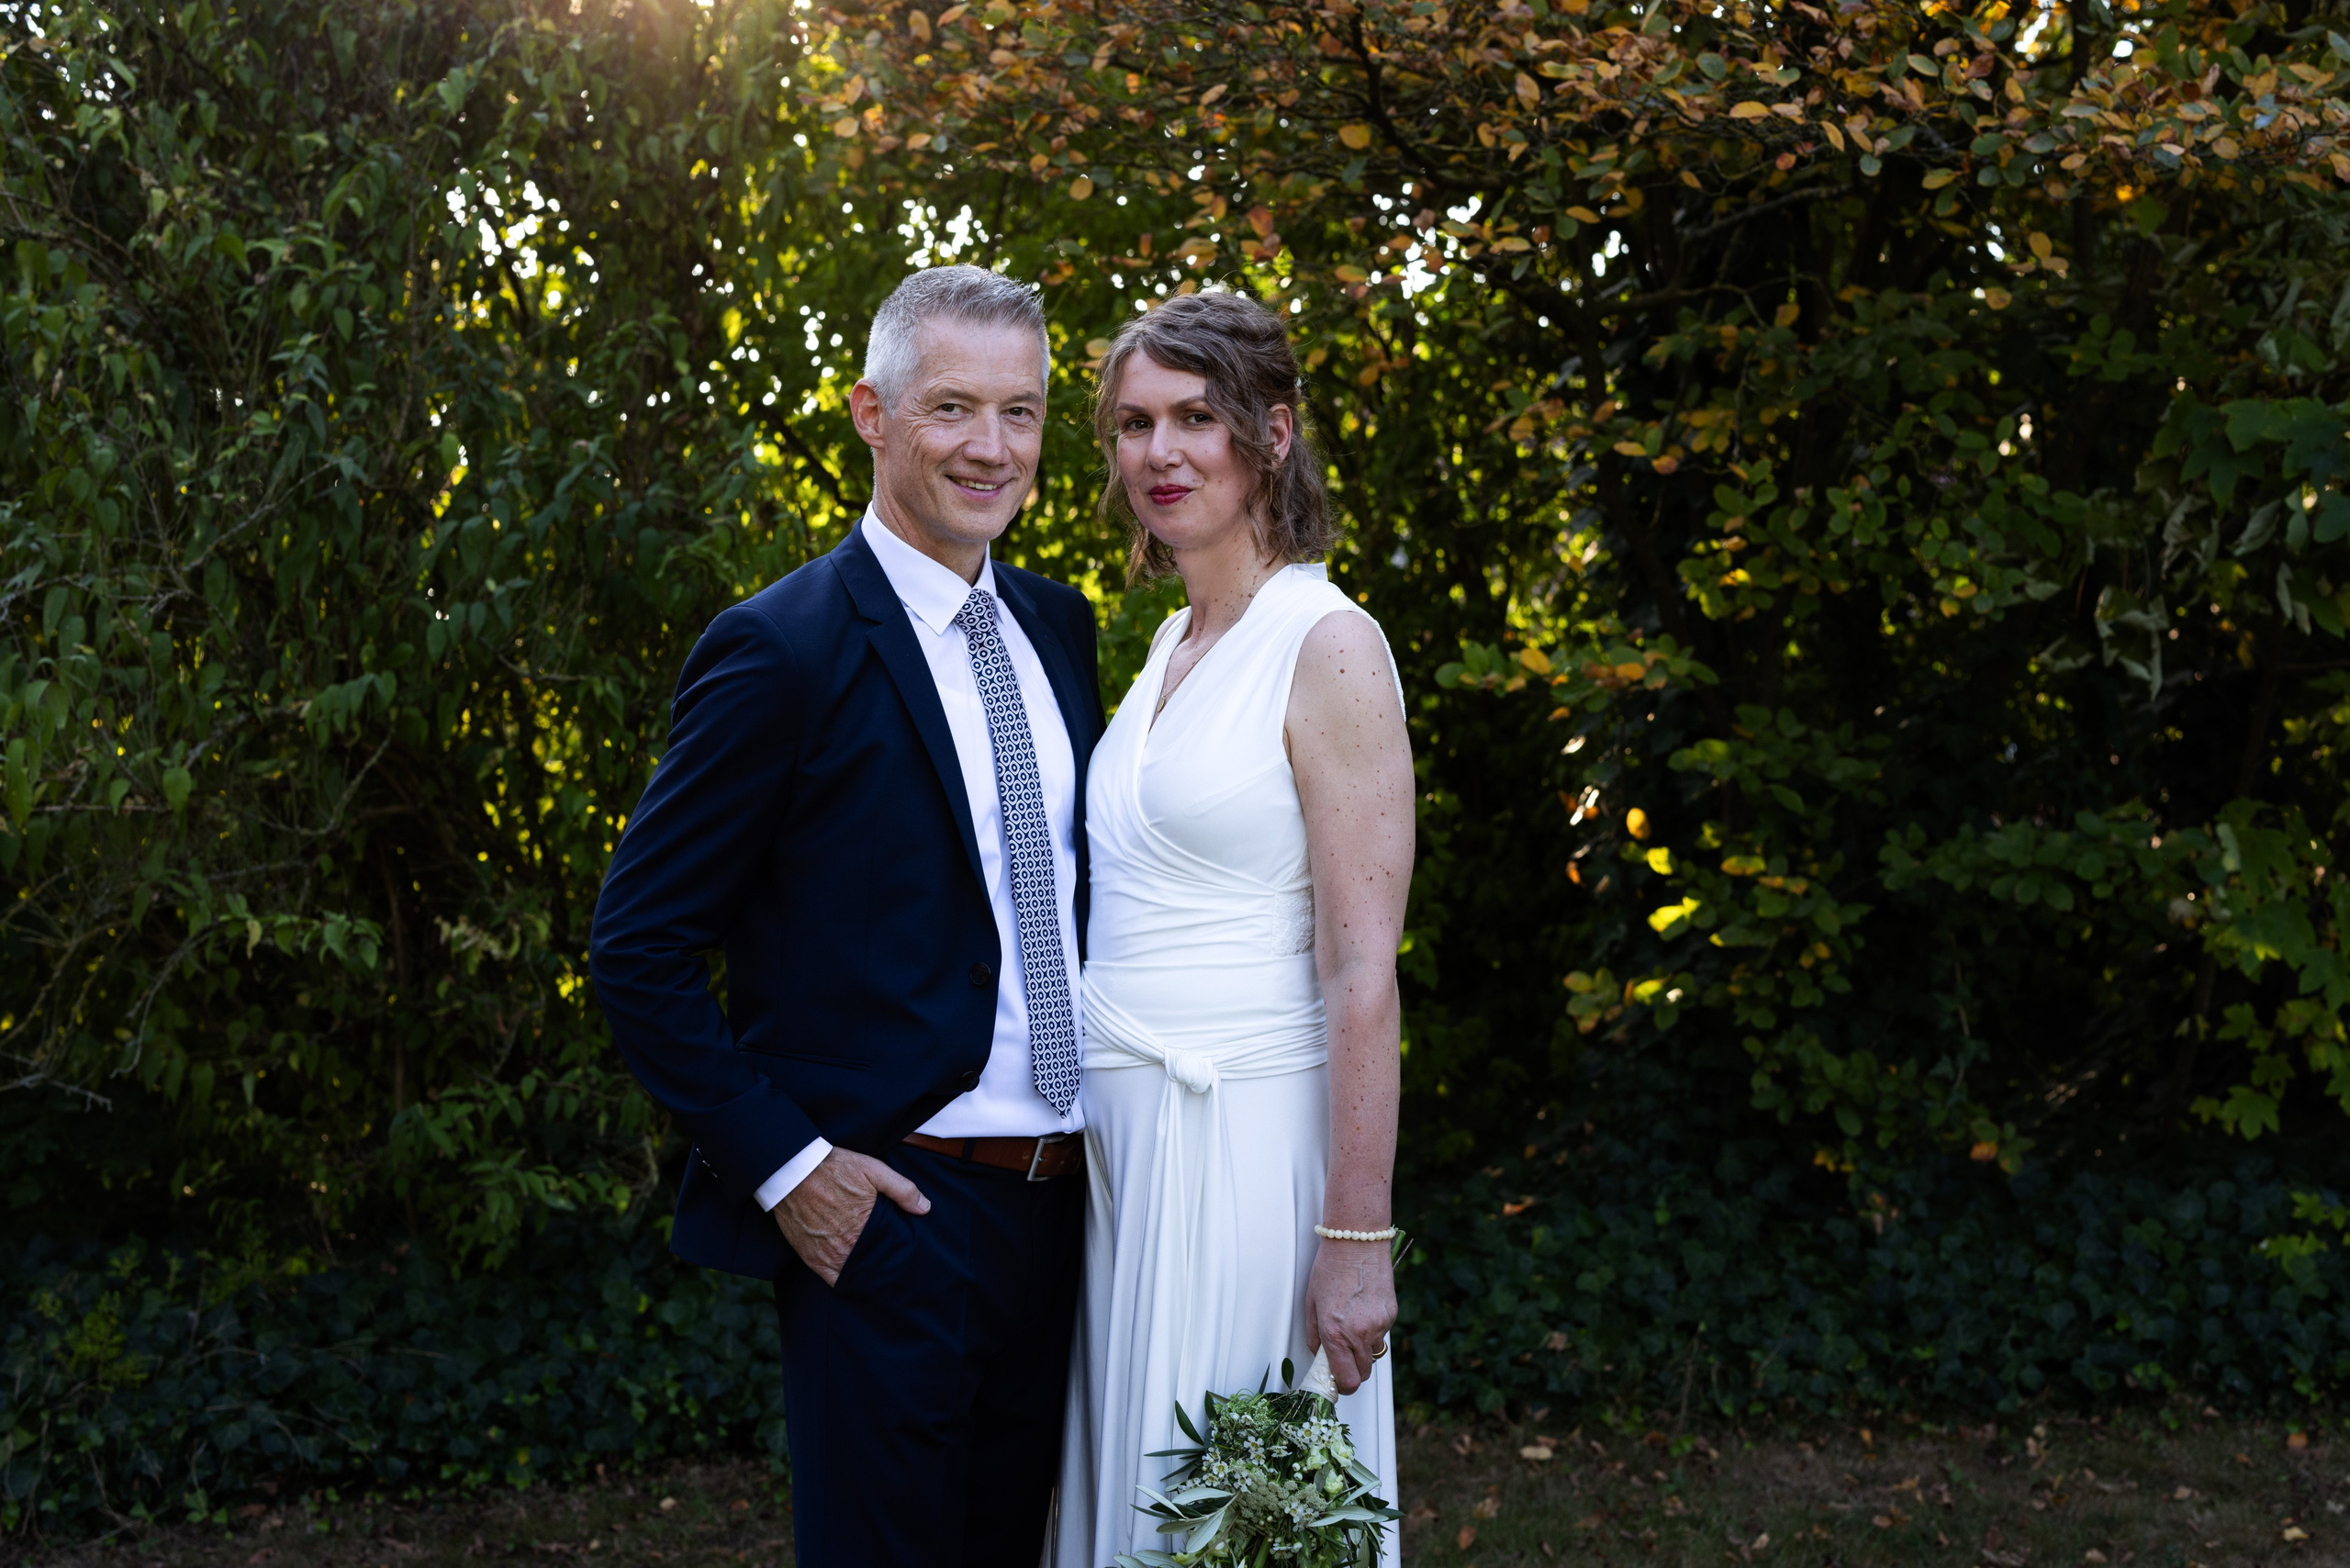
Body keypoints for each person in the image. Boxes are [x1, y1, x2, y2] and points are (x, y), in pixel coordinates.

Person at [589, 264, 1104, 1568]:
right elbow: (638, 949)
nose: (991, 447)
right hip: (896, 1215)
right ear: (872, 415)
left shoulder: (1060, 628)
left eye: (1022, 412)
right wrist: (791, 1171)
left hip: (1074, 1213)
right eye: (951, 408)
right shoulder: (782, 649)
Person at [1051, 291, 1414, 1568]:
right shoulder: (1168, 645)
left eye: (1195, 417)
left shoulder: (1329, 644)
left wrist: (1355, 1244)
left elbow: (1363, 971)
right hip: (1126, 1170)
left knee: (1250, 1534)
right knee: (1144, 1508)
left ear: (1271, 431)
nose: (1160, 453)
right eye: (1134, 424)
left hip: (1254, 1167)